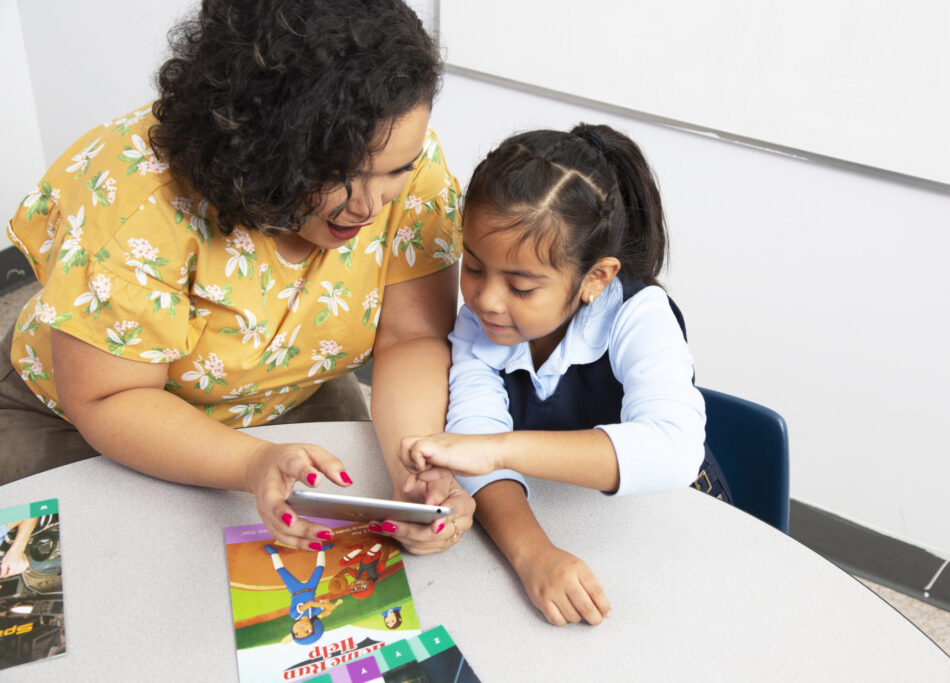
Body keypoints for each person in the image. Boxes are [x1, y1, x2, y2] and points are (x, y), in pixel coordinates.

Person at [2, 0, 473, 554]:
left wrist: (411, 466)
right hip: (88, 410)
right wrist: (249, 461)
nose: (368, 206)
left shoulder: (412, 168)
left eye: (394, 170)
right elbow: (110, 397)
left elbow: (411, 337)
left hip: (290, 391)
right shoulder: (135, 200)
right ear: (256, 145)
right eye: (336, 175)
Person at [398, 124, 732, 626]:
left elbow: (672, 449)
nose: (486, 299)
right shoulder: (478, 323)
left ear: (595, 279)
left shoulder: (639, 316)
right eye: (472, 266)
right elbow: (475, 445)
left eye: (522, 287)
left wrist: (497, 447)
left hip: (670, 523)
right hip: (565, 518)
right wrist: (533, 555)